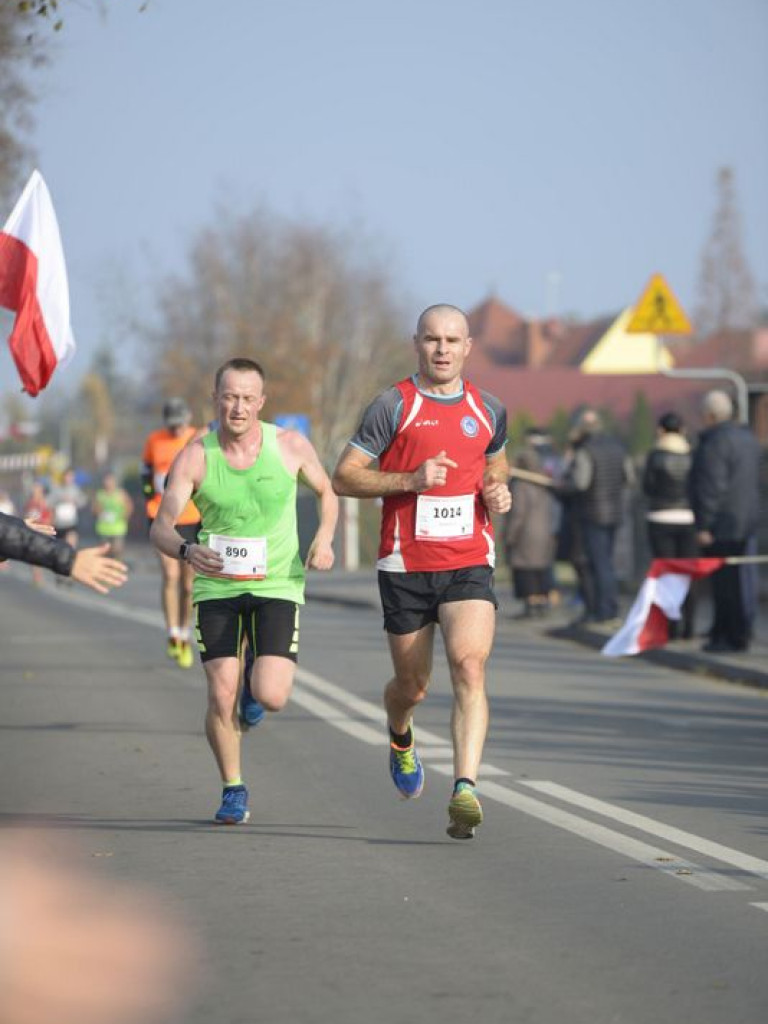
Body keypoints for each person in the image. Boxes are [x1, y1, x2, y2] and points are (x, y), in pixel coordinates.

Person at [332, 304, 511, 840]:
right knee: (413, 686)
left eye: (452, 340)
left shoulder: (489, 408)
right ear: (417, 343)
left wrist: (497, 489)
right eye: (432, 339)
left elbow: (495, 458)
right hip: (406, 565)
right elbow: (344, 478)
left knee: (470, 667)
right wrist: (411, 480)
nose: (442, 349)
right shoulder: (393, 406)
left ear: (468, 347)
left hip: (468, 561)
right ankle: (400, 732)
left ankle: (465, 789)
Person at [150, 357, 338, 825]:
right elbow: (161, 525)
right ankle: (233, 787)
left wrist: (325, 537)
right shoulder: (196, 455)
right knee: (220, 693)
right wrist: (187, 551)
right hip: (216, 585)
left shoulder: (290, 445)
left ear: (261, 402)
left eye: (247, 398)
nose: (238, 407)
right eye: (229, 396)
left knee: (270, 696)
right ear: (215, 400)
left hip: (277, 583)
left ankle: (257, 680)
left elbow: (328, 492)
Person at [689, 389, 761, 653]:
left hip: (723, 523)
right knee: (740, 581)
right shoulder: (748, 439)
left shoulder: (715, 443)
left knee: (724, 584)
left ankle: (728, 636)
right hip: (746, 520)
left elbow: (710, 487)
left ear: (710, 415)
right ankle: (735, 632)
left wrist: (704, 525)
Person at [558, 408, 634, 624]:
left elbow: (581, 483)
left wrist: (562, 487)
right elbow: (629, 478)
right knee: (606, 562)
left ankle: (602, 610)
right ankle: (609, 608)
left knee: (596, 563)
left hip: (592, 513)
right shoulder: (619, 448)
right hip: (615, 512)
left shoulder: (586, 451)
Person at [142, 397, 200, 668]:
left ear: (188, 419)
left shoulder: (198, 437)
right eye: (172, 425)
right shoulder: (154, 440)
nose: (177, 430)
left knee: (188, 584)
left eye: (181, 425)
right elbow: (145, 474)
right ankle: (172, 634)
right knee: (170, 574)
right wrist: (149, 498)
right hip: (161, 515)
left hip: (193, 518)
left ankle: (185, 633)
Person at [642, 411, 697, 639]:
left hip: (660, 517)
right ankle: (690, 626)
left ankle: (670, 626)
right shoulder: (693, 454)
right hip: (688, 518)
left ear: (661, 430)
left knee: (666, 575)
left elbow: (647, 487)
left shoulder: (655, 455)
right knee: (687, 572)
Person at [0, 510, 127, 593]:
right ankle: (38, 577)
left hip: (71, 525)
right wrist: (68, 559)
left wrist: (19, 528)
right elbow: (6, 535)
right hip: (61, 527)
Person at [503, 447, 557, 618]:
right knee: (540, 569)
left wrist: (510, 535)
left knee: (525, 570)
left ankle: (531, 604)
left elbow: (518, 513)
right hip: (544, 531)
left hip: (526, 534)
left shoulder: (520, 485)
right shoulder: (543, 483)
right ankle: (541, 602)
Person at [93, 470, 134, 559]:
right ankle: (105, 570)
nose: (108, 483)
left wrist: (125, 516)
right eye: (106, 481)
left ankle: (117, 568)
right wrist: (99, 512)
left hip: (118, 527)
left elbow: (129, 506)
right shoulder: (100, 494)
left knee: (117, 550)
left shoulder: (120, 494)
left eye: (110, 481)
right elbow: (94, 509)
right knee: (105, 551)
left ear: (114, 482)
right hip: (104, 528)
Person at [48, 467, 87, 551]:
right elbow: (49, 503)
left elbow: (83, 502)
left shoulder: (75, 489)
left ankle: (71, 561)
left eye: (71, 476)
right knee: (60, 549)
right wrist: (60, 500)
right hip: (59, 524)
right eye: (67, 476)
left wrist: (74, 501)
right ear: (63, 477)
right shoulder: (57, 489)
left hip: (71, 523)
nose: (69, 479)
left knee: (71, 546)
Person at [22, 481, 53, 586]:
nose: (35, 491)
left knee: (40, 553)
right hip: (32, 531)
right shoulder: (30, 503)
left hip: (42, 530)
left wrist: (47, 524)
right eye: (34, 489)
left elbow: (49, 515)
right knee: (34, 553)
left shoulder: (44, 502)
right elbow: (26, 516)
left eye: (37, 489)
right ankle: (37, 575)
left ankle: (38, 573)